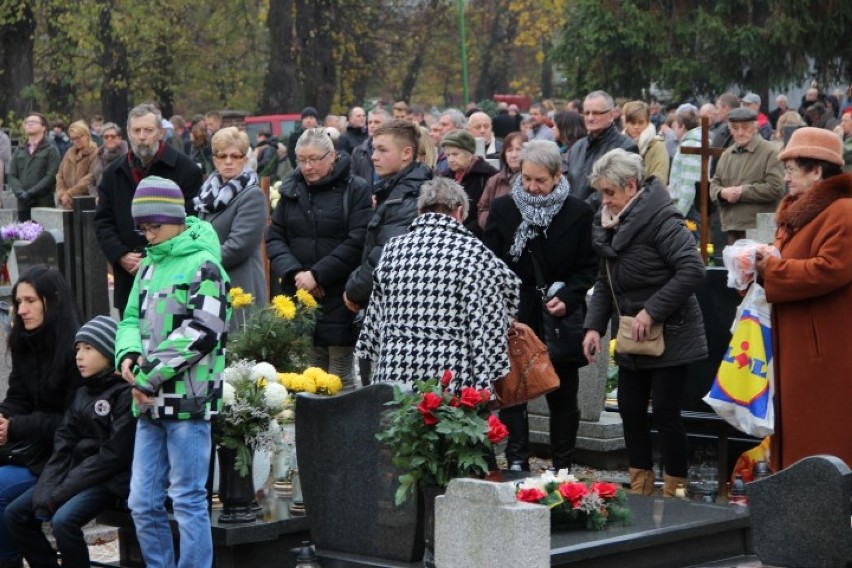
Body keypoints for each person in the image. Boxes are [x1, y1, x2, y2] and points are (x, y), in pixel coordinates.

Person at [116, 176, 230, 568]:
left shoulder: (204, 264)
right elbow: (130, 316)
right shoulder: (149, 265)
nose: (148, 236)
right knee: (142, 503)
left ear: (177, 219)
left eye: (154, 227)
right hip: (147, 401)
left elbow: (204, 330)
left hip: (188, 402)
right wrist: (127, 354)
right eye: (142, 228)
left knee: (187, 500)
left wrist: (148, 375)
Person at [581, 149, 707, 497]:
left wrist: (652, 311)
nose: (604, 200)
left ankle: (676, 488)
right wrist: (593, 327)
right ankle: (640, 485)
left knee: (665, 414)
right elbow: (606, 280)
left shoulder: (662, 220)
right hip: (631, 334)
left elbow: (693, 270)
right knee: (630, 409)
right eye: (601, 193)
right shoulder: (608, 221)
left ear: (631, 186)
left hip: (671, 331)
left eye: (610, 192)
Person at [483, 140, 597, 471]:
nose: (531, 187)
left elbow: (587, 267)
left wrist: (571, 295)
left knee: (562, 394)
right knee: (513, 392)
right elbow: (489, 260)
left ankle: (563, 466)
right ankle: (517, 462)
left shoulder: (578, 211)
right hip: (516, 312)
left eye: (540, 181)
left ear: (558, 176)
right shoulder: (505, 208)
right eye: (526, 178)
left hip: (557, 314)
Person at [357, 177, 519, 390]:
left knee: (400, 422)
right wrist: (490, 365)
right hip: (452, 373)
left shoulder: (392, 249)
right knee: (448, 422)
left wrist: (375, 348)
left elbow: (374, 316)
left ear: (421, 211)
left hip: (395, 370)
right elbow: (509, 292)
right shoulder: (473, 252)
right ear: (459, 212)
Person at [753, 127, 852, 471]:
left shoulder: (842, 212)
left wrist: (773, 271)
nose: (786, 177)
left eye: (792, 169)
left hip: (823, 347)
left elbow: (830, 269)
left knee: (821, 430)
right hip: (799, 341)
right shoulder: (801, 210)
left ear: (817, 171)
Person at [5, 316, 135, 568]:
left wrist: (63, 490)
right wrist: (48, 488)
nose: (79, 356)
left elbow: (113, 456)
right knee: (15, 514)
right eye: (77, 349)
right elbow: (63, 443)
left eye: (88, 348)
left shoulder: (125, 395)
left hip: (110, 480)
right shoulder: (82, 393)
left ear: (109, 352)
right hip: (77, 473)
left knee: (63, 521)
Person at [267, 128, 372, 391]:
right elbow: (275, 238)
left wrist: (317, 275)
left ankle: (345, 432)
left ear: (332, 156)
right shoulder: (291, 189)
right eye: (301, 160)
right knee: (308, 375)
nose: (308, 166)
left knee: (339, 377)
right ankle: (315, 432)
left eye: (314, 159)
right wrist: (297, 274)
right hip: (301, 294)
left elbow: (358, 240)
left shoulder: (355, 189)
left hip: (340, 293)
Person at [0, 266, 82, 568]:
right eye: (18, 302)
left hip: (66, 456)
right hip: (33, 450)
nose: (21, 310)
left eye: (30, 301)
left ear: (53, 300)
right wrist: (3, 418)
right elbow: (18, 397)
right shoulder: (26, 341)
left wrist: (16, 426)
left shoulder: (78, 349)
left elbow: (73, 422)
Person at [94, 102, 202, 316]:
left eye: (148, 130)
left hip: (172, 272)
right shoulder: (113, 173)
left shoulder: (185, 169)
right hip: (129, 274)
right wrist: (120, 254)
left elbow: (192, 222)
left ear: (160, 132)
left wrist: (152, 257)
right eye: (136, 130)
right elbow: (103, 222)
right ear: (128, 133)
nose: (142, 136)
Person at [344, 120, 433, 314]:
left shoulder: (408, 196)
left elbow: (385, 254)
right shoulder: (396, 190)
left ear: (406, 153)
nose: (374, 157)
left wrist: (354, 288)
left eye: (383, 150)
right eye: (374, 149)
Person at [194, 127, 268, 327]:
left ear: (245, 160)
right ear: (214, 159)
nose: (228, 161)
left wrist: (197, 263)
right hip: (209, 288)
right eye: (222, 155)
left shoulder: (252, 195)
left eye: (235, 156)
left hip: (240, 289)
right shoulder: (206, 196)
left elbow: (238, 246)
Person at [709, 107, 785, 244]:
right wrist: (722, 193)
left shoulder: (770, 152)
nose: (740, 132)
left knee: (760, 265)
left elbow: (776, 188)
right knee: (734, 265)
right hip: (732, 229)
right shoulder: (727, 155)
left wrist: (742, 192)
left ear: (755, 127)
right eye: (735, 128)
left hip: (761, 229)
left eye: (745, 127)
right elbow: (714, 185)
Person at [565, 91, 638, 206]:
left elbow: (614, 189)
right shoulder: (577, 147)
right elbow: (564, 181)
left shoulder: (626, 147)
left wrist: (580, 210)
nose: (590, 118)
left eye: (596, 113)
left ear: (611, 114)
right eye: (587, 113)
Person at [440, 130, 497, 237]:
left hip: (478, 237)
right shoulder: (444, 177)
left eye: (455, 154)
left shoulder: (489, 175)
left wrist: (463, 232)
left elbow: (489, 212)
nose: (451, 159)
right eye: (448, 155)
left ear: (469, 154)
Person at [7, 113, 61, 221]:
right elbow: (12, 174)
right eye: (27, 122)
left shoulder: (51, 149)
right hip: (23, 203)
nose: (29, 124)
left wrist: (31, 193)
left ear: (43, 127)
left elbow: (51, 176)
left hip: (43, 204)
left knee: (42, 237)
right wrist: (20, 193)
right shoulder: (19, 150)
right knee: (24, 236)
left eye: (34, 122)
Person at [477, 131, 524, 229]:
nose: (514, 155)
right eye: (510, 150)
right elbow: (483, 208)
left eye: (519, 150)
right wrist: (492, 224)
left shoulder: (532, 180)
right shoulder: (494, 180)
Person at [622, 101, 670, 184]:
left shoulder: (657, 145)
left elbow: (659, 180)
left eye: (641, 123)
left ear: (647, 123)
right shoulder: (619, 144)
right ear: (626, 123)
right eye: (633, 123)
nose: (636, 127)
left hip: (649, 195)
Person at [55, 120, 99, 208]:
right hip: (66, 203)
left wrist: (70, 194)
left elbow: (90, 178)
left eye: (78, 137)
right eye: (73, 138)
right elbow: (60, 175)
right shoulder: (69, 153)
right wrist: (62, 194)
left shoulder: (96, 153)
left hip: (86, 202)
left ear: (87, 135)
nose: (75, 141)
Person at [91, 122, 129, 189]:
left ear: (119, 138)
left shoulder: (127, 158)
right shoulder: (99, 156)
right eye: (106, 137)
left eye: (113, 136)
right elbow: (91, 183)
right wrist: (96, 196)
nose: (109, 139)